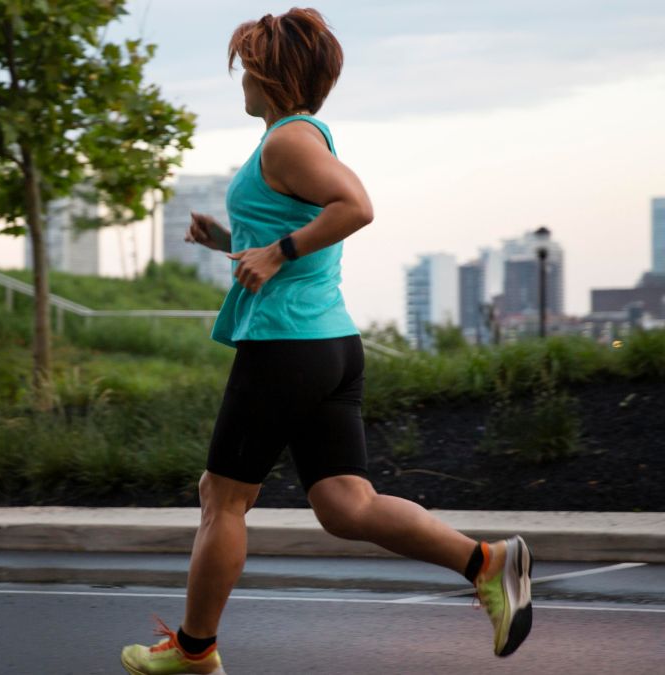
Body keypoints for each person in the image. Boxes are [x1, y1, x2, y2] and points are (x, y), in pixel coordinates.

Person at [119, 9, 532, 675]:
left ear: (270, 75)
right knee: (346, 505)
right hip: (329, 344)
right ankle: (486, 561)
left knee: (222, 497)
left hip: (286, 346)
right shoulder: (300, 140)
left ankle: (193, 650)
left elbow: (356, 206)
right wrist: (231, 243)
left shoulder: (289, 141)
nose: (240, 82)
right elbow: (309, 226)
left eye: (247, 68)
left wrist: (277, 252)